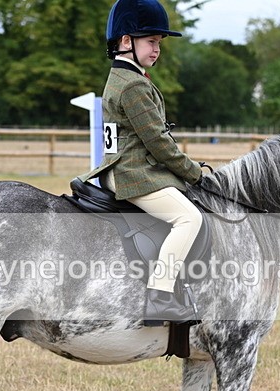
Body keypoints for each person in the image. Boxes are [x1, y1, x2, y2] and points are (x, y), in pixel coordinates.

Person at [80, 0, 204, 325]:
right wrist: (194, 173)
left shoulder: (123, 77)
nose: (157, 49)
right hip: (133, 173)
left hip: (122, 167)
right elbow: (159, 143)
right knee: (189, 218)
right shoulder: (134, 85)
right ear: (126, 41)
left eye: (159, 42)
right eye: (151, 41)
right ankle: (161, 297)